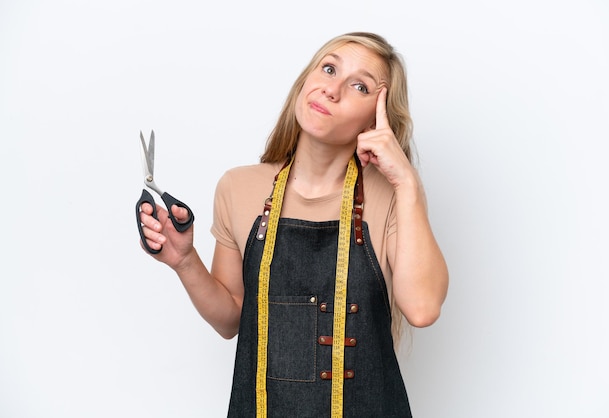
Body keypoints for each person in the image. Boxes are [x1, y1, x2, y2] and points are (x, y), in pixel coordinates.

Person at [138, 31, 448, 417]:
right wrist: (185, 261)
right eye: (329, 68)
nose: (332, 90)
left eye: (360, 86)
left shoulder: (391, 198)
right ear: (306, 82)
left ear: (377, 119)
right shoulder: (239, 187)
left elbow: (422, 309)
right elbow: (231, 317)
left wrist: (406, 182)